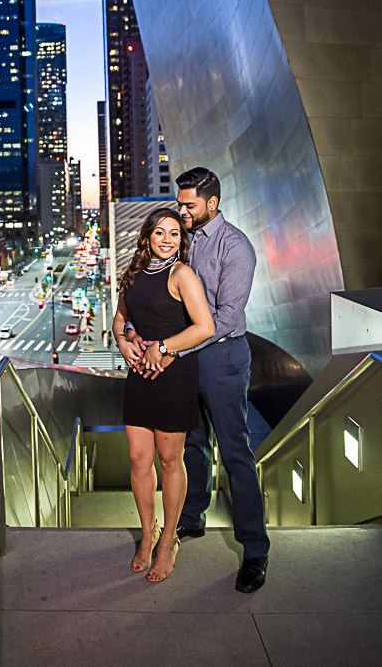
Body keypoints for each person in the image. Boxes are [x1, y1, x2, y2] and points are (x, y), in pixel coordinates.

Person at [125, 168, 270, 593]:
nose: (182, 211)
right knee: (190, 445)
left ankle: (255, 549)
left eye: (189, 205)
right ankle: (190, 519)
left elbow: (225, 318)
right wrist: (137, 334)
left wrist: (169, 349)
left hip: (221, 358)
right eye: (180, 203)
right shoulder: (182, 243)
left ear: (212, 203)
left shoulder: (235, 246)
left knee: (236, 451)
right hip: (182, 361)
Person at [112, 207, 214, 583]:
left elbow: (205, 326)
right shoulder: (134, 274)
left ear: (180, 239)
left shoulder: (181, 274)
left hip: (173, 376)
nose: (167, 239)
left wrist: (164, 349)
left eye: (174, 233)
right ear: (147, 236)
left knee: (170, 460)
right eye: (160, 232)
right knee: (139, 459)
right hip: (139, 374)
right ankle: (148, 533)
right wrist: (123, 342)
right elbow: (120, 319)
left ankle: (169, 539)